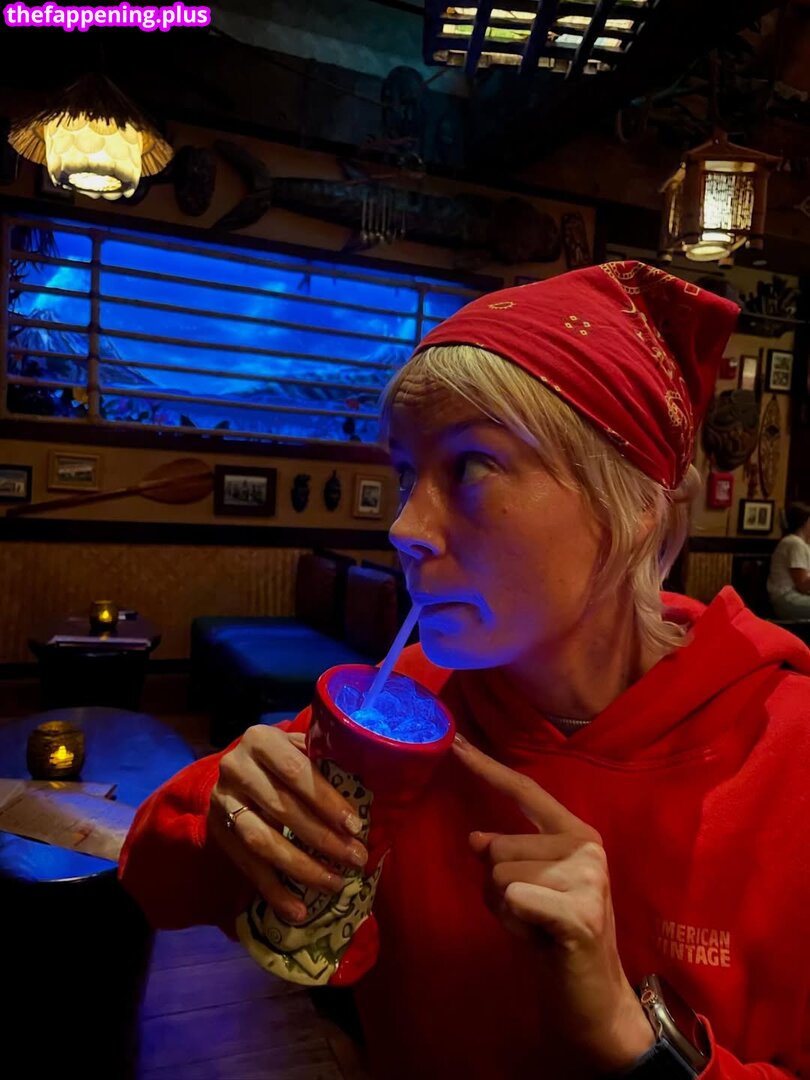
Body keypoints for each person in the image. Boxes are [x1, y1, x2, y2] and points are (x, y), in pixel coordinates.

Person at [119, 261, 810, 1080]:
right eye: (406, 475)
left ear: (636, 506)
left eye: (471, 465)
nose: (404, 528)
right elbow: (152, 881)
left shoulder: (786, 753)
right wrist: (224, 811)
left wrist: (630, 1039)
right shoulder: (405, 706)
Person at [767, 501, 810, 619]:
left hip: (795, 596)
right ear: (805, 522)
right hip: (787, 598)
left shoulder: (801, 544)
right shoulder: (794, 543)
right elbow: (802, 584)